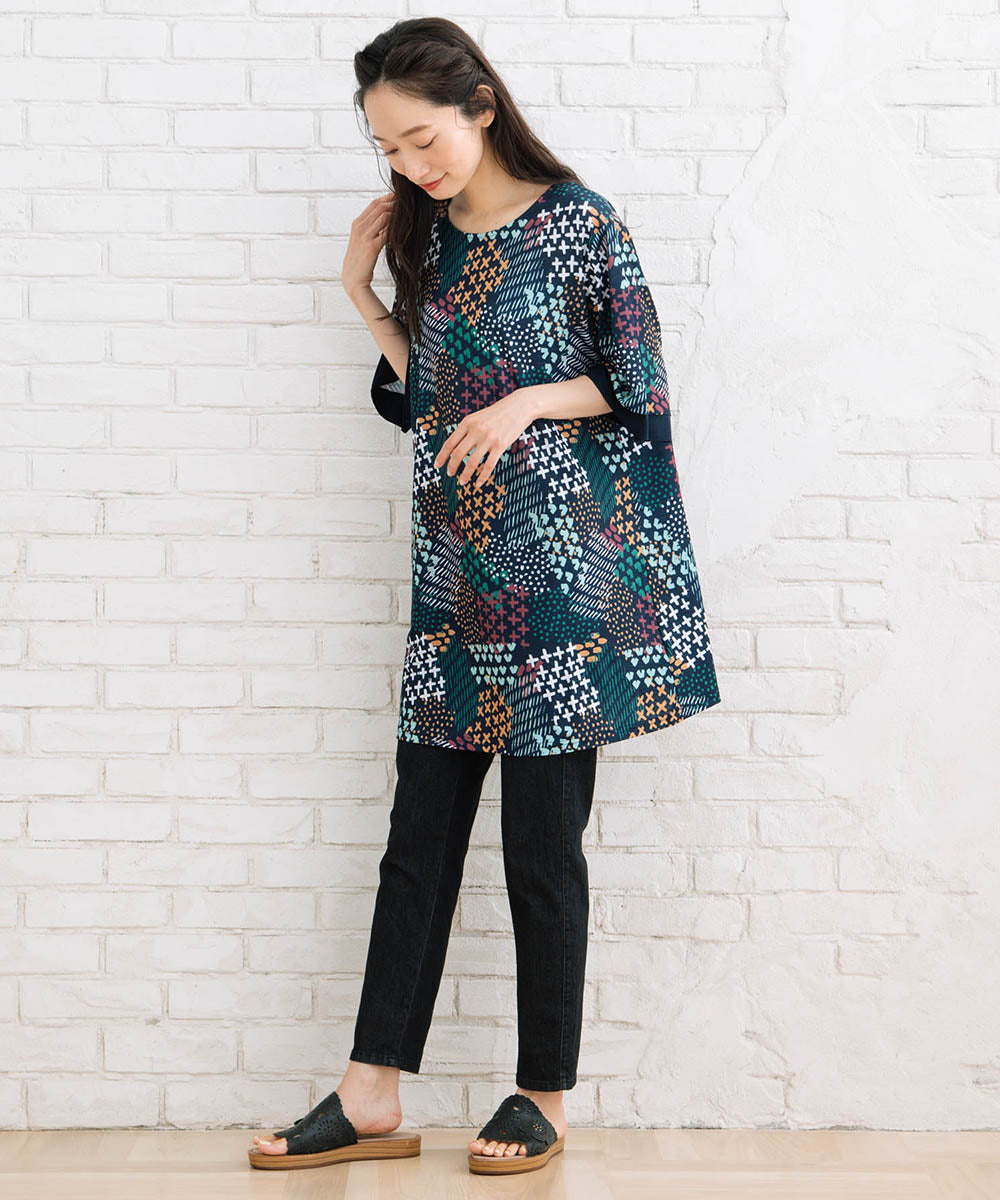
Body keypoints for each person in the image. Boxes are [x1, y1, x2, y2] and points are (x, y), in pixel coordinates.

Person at [248, 15, 721, 1178]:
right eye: (388, 150)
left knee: (540, 850)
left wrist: (526, 401)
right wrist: (364, 295)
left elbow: (637, 382)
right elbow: (430, 399)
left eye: (422, 139)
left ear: (481, 106)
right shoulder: (431, 243)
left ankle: (541, 1094)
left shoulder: (580, 223)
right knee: (416, 842)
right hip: (456, 584)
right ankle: (369, 1093)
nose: (411, 165)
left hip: (561, 593)